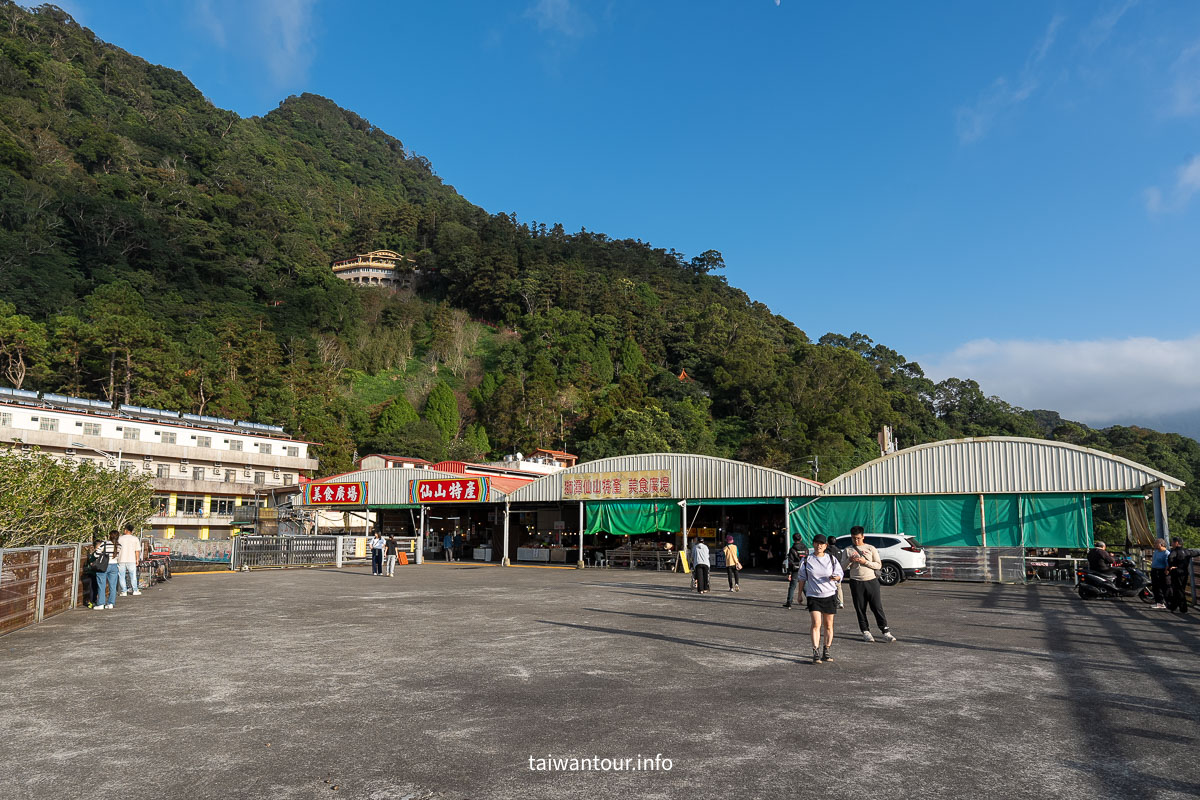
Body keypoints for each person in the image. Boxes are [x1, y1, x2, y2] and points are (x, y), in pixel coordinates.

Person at [844, 526, 896, 642]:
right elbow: (841, 567)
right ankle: (865, 631)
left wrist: (865, 562)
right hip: (856, 582)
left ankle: (885, 631)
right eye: (853, 538)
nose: (856, 541)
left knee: (877, 607)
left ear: (863, 536)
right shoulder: (848, 550)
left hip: (871, 581)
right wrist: (849, 560)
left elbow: (878, 565)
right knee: (860, 608)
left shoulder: (870, 548)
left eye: (858, 538)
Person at [797, 534, 843, 664]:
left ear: (826, 546)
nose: (819, 546)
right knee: (816, 623)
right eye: (817, 543)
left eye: (822, 544)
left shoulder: (831, 559)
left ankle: (826, 650)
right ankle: (815, 651)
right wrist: (799, 594)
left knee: (828, 625)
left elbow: (840, 573)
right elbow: (801, 578)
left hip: (829, 595)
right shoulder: (807, 560)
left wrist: (836, 577)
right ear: (813, 544)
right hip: (813, 596)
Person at [1167, 538, 1200, 614]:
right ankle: (1174, 606)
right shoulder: (1187, 551)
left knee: (1177, 590)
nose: (1171, 544)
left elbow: (1170, 557)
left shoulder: (1174, 551)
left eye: (1172, 542)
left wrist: (1171, 566)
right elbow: (1197, 553)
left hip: (1176, 572)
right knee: (1181, 589)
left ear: (1176, 543)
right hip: (1184, 572)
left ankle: (1182, 608)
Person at [94, 531, 120, 610]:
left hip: (104, 566)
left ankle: (101, 603)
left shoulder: (104, 544)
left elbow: (96, 554)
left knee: (102, 585)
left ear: (110, 536)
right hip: (114, 565)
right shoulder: (119, 546)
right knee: (113, 585)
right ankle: (111, 603)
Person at [116, 523, 142, 597]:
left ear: (125, 530)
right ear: (131, 531)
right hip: (131, 559)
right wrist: (137, 559)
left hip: (121, 559)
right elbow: (137, 550)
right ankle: (135, 590)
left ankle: (124, 591)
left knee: (121, 576)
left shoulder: (120, 538)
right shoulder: (135, 539)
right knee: (133, 575)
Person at [782, 539, 806, 609]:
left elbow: (790, 561)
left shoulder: (792, 549)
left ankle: (789, 602)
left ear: (793, 539)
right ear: (801, 539)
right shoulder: (805, 548)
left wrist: (789, 573)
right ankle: (810, 603)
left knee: (792, 586)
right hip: (804, 568)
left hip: (795, 569)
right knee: (804, 585)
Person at [825, 535, 845, 609]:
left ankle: (831, 601)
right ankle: (841, 602)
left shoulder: (826, 551)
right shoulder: (839, 550)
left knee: (829, 587)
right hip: (837, 571)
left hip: (829, 571)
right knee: (838, 587)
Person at [1150, 538, 1169, 610]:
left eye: (1156, 543)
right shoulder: (1156, 551)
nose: (1154, 545)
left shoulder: (1166, 553)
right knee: (1155, 587)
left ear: (1161, 544)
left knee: (1162, 587)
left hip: (1161, 571)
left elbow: (1167, 563)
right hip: (1154, 570)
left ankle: (1162, 602)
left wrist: (1166, 570)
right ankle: (1158, 602)